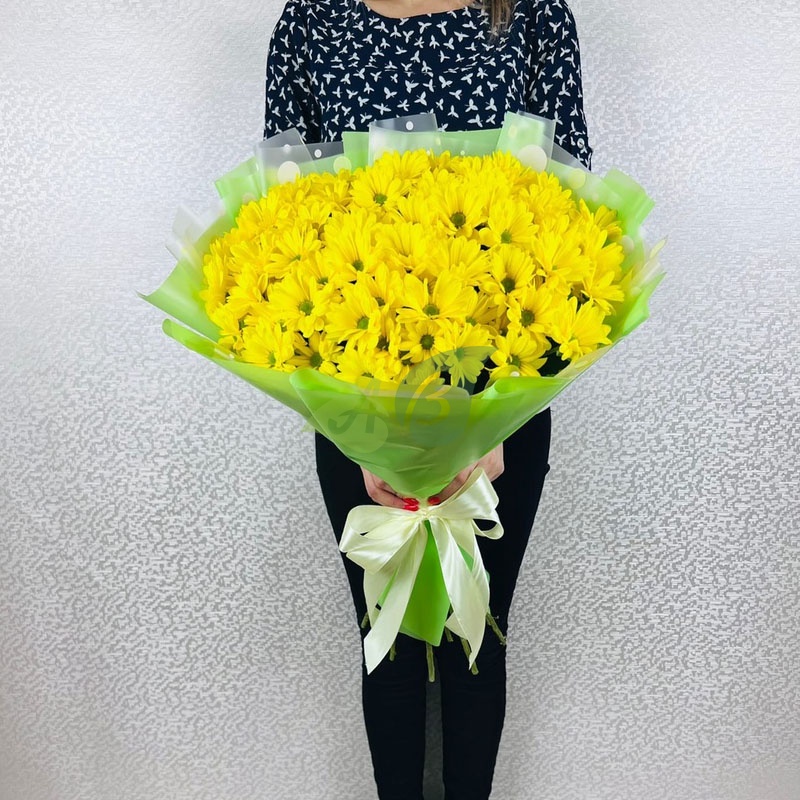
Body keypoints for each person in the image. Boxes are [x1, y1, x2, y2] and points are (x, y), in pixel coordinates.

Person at [263, 0, 592, 797]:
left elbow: (571, 219)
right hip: (355, 406)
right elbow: (282, 231)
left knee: (478, 639)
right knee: (391, 644)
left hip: (504, 407)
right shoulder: (309, 22)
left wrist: (495, 413)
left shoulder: (534, 15)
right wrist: (362, 431)